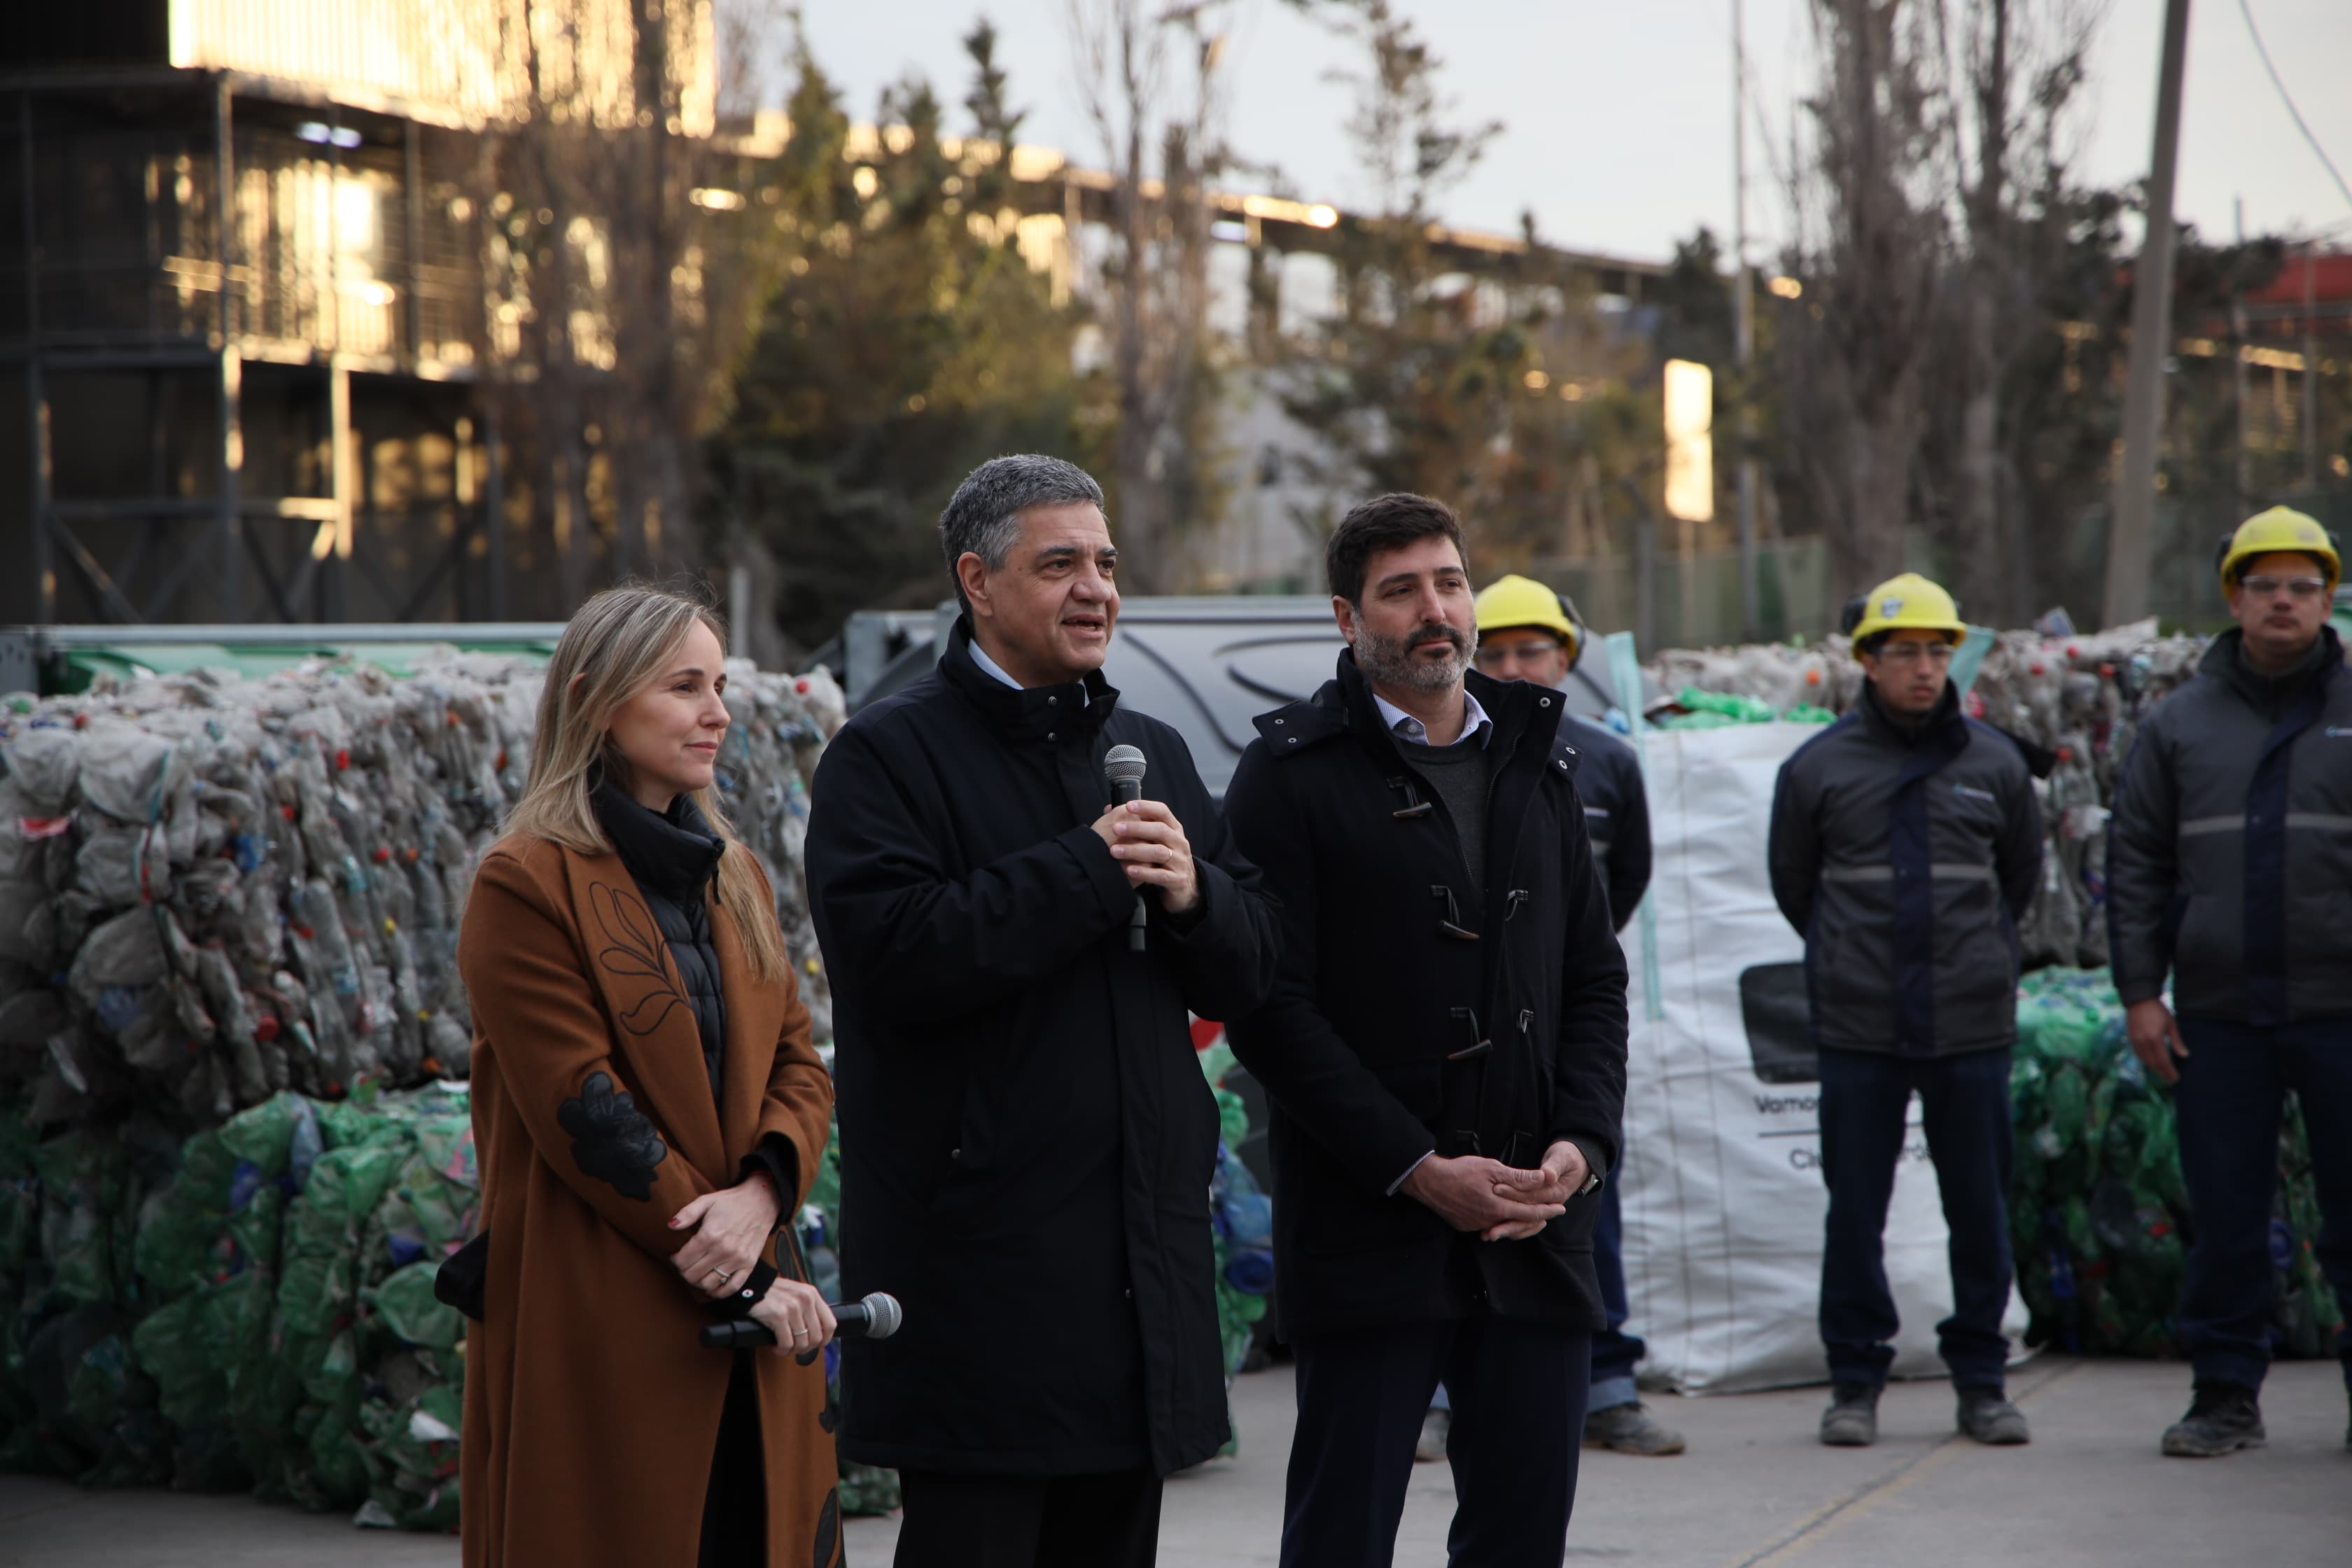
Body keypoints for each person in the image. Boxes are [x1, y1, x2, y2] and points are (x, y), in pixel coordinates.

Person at [804, 454, 1280, 1568]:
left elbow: (1254, 971)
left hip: (1138, 1275)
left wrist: (1199, 895)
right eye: (1059, 563)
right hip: (983, 1284)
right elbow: (892, 958)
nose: (1096, 589)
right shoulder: (887, 752)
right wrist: (1090, 869)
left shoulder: (1150, 751)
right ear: (977, 580)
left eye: (1107, 564)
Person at [1223, 493, 1629, 1568]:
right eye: (1400, 591)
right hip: (1372, 1232)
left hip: (1537, 1228)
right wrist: (1414, 1165)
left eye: (1449, 582)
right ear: (1348, 620)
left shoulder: (1538, 755)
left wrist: (1581, 1149)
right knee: (1342, 1537)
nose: (1434, 609)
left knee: (1520, 1537)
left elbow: (1593, 977)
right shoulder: (1288, 774)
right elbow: (1271, 1012)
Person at [456, 585, 843, 1567]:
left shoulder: (735, 874)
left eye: (718, 685)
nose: (718, 711)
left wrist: (761, 1198)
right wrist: (736, 1268)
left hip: (755, 1318)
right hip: (605, 1322)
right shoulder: (524, 881)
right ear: (595, 699)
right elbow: (585, 1111)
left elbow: (801, 1063)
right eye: (685, 686)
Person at [1767, 571, 2042, 1450]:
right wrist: (1854, 960)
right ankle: (1854, 1382)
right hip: (1860, 1028)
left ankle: (1983, 1383)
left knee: (1980, 1207)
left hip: (1970, 1025)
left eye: (1938, 650)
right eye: (1906, 652)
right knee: (1856, 1211)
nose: (1925, 668)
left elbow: (2019, 886)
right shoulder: (1817, 768)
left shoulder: (1996, 765)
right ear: (1868, 662)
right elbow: (1796, 888)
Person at [2107, 506, 2352, 1458]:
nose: (2282, 601)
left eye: (2300, 585)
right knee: (2227, 1216)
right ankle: (2223, 1398)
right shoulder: (2178, 725)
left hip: (2343, 1012)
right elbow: (2133, 865)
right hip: (2219, 1016)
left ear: (2327, 597)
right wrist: (2139, 992)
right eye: (2263, 586)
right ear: (2234, 601)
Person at [1441, 573, 1679, 1460]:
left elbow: (1621, 889)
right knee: (1452, 1207)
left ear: (1567, 655)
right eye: (1494, 650)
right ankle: (1439, 1390)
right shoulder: (1453, 755)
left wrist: (1561, 982)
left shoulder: (1603, 765)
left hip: (1565, 1029)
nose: (1512, 666)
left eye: (1530, 649)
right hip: (1459, 1035)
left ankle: (1606, 1382)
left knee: (1582, 1185)